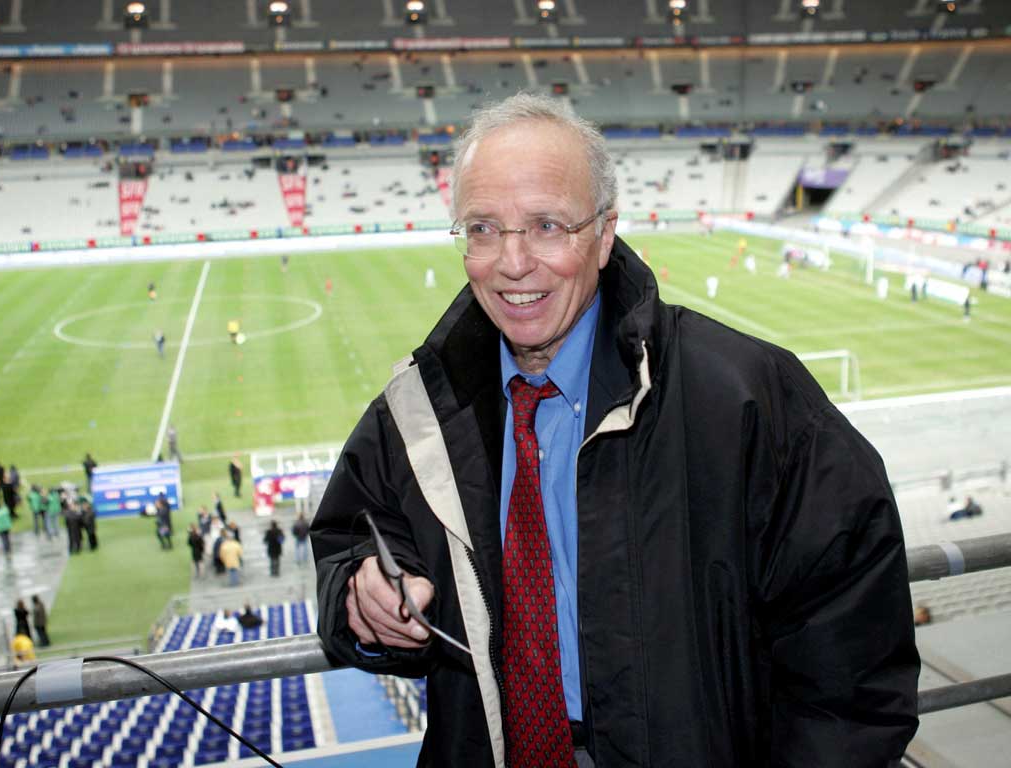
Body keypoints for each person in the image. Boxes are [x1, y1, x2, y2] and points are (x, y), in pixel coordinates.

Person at [310, 94, 919, 767]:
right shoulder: (416, 408)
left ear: (603, 234)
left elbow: (851, 660)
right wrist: (363, 602)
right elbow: (348, 545)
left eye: (546, 226)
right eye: (483, 228)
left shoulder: (749, 398)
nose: (512, 263)